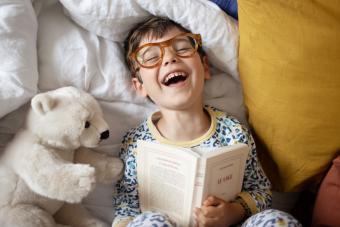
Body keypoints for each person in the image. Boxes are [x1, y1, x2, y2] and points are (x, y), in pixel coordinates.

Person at [112, 16, 301, 227]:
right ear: (140, 86)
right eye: (150, 57)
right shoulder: (136, 144)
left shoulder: (233, 131)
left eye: (182, 48)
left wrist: (233, 211)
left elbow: (260, 193)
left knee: (276, 220)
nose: (169, 59)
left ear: (205, 66)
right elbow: (126, 209)